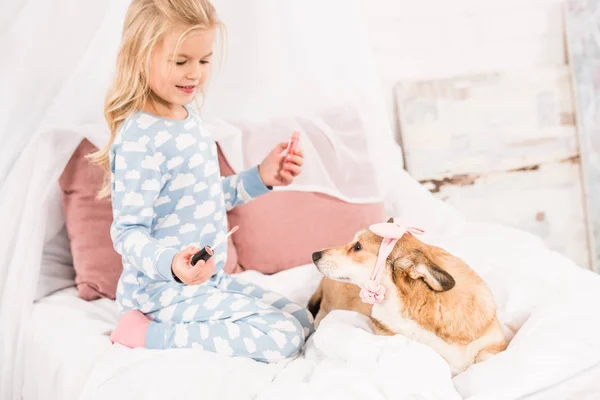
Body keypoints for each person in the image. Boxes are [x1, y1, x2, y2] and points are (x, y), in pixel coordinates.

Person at [88, 0, 314, 363]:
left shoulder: (188, 116)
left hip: (207, 282)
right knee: (283, 336)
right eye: (180, 62)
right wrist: (172, 265)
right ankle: (145, 332)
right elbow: (127, 233)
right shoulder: (140, 139)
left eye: (204, 60)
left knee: (301, 318)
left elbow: (203, 198)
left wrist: (261, 177)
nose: (194, 73)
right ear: (139, 55)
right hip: (162, 294)